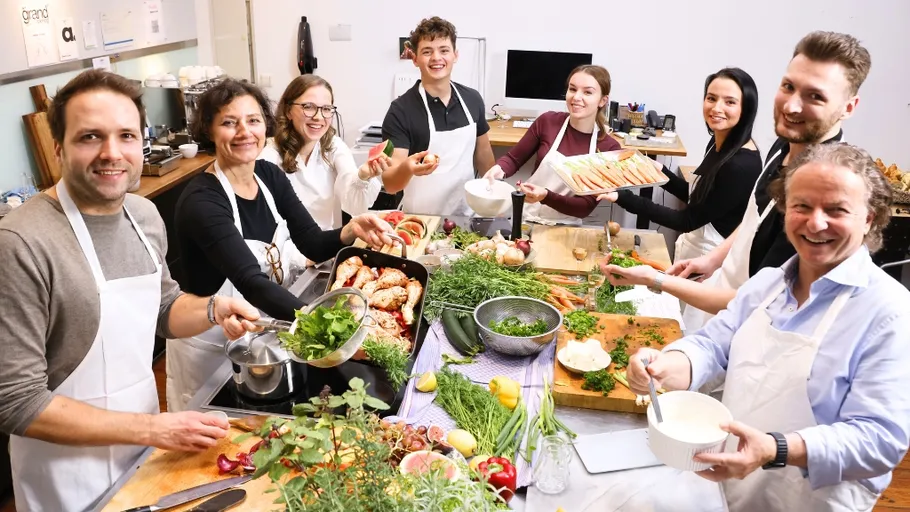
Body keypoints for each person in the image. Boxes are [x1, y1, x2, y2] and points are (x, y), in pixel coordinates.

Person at [0, 70, 260, 512]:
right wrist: (154, 428)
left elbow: (163, 307)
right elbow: (17, 402)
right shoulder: (21, 242)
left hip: (143, 454)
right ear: (58, 148)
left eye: (126, 136)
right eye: (90, 137)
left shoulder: (143, 216)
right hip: (65, 476)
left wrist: (213, 309)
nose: (112, 153)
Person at [623, 143, 910, 512]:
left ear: (869, 218)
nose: (815, 223)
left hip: (811, 500)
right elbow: (713, 346)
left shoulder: (890, 312)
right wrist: (665, 364)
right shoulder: (768, 284)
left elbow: (880, 439)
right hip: (735, 485)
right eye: (801, 206)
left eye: (836, 209)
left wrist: (777, 449)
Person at [602, 31, 871, 332]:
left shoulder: (821, 194)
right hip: (725, 292)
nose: (791, 107)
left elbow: (762, 300)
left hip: (754, 324)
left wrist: (654, 279)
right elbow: (753, 218)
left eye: (815, 96)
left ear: (849, 107)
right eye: (788, 86)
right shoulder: (784, 144)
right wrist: (713, 260)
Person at [170, 78, 395, 411]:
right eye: (229, 123)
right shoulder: (202, 201)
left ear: (266, 125)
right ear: (209, 130)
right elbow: (250, 281)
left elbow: (312, 243)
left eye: (253, 120)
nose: (245, 132)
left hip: (260, 332)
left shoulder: (268, 175)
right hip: (211, 347)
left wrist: (350, 231)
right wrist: (322, 326)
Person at [597, 68, 762, 260]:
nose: (717, 108)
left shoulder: (740, 166)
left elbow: (687, 220)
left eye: (730, 102)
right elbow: (697, 197)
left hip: (712, 258)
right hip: (695, 245)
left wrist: (622, 197)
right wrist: (660, 171)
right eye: (711, 98)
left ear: (746, 108)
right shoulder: (719, 141)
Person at [380, 16, 496, 215]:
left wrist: (494, 196)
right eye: (427, 51)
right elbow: (391, 185)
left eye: (444, 50)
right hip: (420, 220)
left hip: (467, 217)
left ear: (455, 55)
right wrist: (408, 168)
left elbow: (484, 157)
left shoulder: (472, 99)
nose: (436, 58)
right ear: (415, 59)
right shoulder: (400, 111)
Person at [482, 65, 621, 225]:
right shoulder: (548, 122)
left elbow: (585, 207)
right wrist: (499, 169)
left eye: (587, 92)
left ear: (603, 101)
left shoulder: (608, 149)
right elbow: (513, 159)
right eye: (572, 89)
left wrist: (546, 196)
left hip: (567, 228)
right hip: (526, 219)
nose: (576, 97)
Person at [259, 74, 388, 231]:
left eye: (326, 109)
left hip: (324, 242)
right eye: (308, 107)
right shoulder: (269, 156)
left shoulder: (333, 145)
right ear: (288, 111)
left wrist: (363, 176)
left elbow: (354, 205)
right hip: (283, 244)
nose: (318, 117)